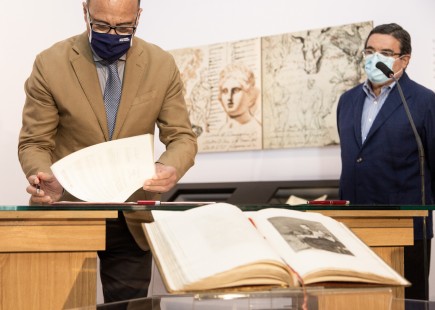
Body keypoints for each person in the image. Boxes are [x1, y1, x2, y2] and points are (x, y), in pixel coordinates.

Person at [18, 0, 197, 303]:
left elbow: (182, 138)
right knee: (61, 302)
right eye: (101, 25)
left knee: (129, 307)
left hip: (131, 216)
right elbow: (35, 142)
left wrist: (170, 167)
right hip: (68, 210)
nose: (112, 34)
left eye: (124, 27)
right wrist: (43, 177)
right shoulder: (50, 63)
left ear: (138, 17)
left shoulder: (161, 64)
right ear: (84, 12)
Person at [337, 23, 435, 300]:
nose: (373, 58)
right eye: (369, 50)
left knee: (407, 303)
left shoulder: (424, 101)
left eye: (384, 52)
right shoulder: (347, 101)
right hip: (353, 225)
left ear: (404, 60)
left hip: (405, 229)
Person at [217, 63, 261, 131]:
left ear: (249, 94)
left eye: (235, 90)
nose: (229, 97)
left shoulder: (256, 129)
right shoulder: (222, 131)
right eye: (225, 91)